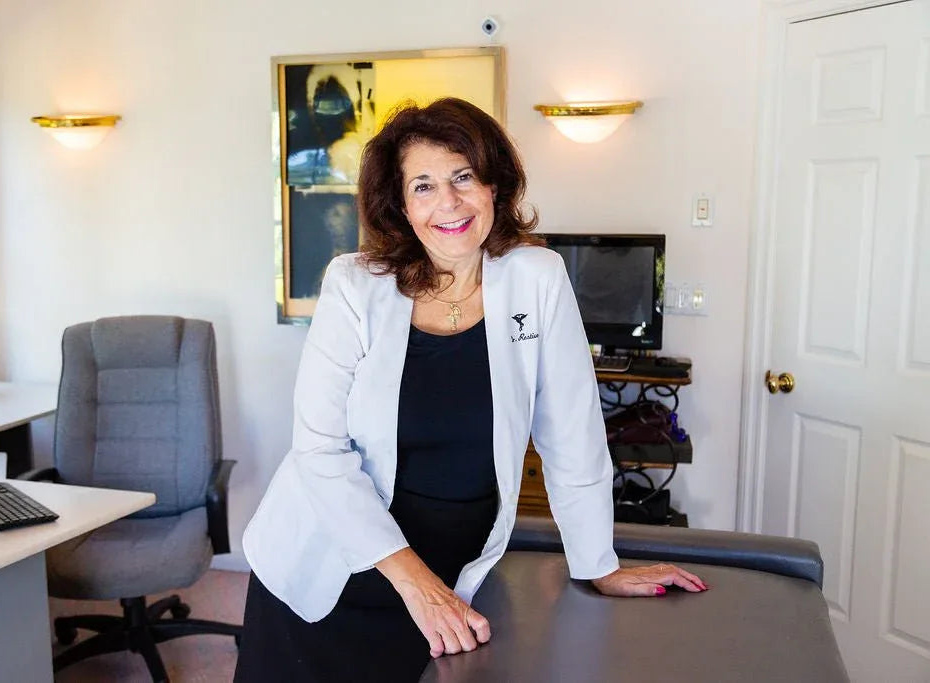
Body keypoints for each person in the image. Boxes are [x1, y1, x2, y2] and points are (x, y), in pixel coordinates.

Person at [235, 97, 707, 683]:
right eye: (424, 186)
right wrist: (416, 584)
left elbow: (573, 434)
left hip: (452, 572)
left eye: (463, 177)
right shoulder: (353, 286)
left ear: (494, 186)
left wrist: (598, 563)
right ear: (400, 206)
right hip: (331, 561)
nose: (449, 202)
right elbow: (319, 451)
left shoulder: (537, 277)